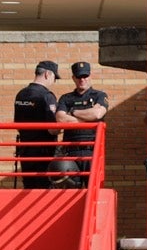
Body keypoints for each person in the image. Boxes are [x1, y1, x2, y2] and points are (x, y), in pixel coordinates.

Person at [52, 61, 109, 187]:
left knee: (94, 190)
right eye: (79, 77)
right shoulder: (66, 98)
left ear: (90, 76)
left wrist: (73, 112)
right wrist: (87, 119)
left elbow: (97, 114)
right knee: (70, 194)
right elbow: (60, 119)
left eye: (85, 76)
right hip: (71, 152)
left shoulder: (99, 95)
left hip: (92, 152)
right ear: (73, 78)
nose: (82, 79)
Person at [10, 60, 61, 188]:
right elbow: (52, 129)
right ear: (47, 74)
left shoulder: (21, 94)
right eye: (55, 78)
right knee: (45, 189)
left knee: (29, 187)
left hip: (25, 150)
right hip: (44, 152)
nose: (54, 82)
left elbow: (17, 124)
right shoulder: (46, 96)